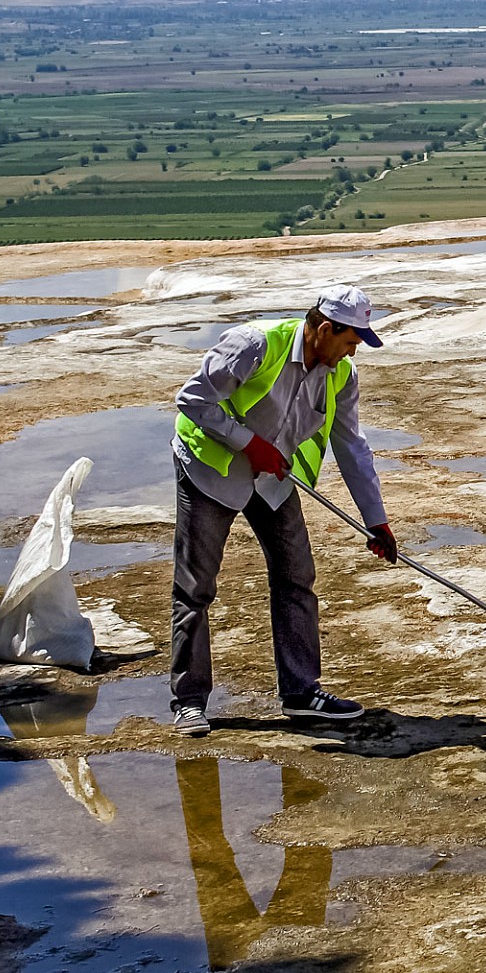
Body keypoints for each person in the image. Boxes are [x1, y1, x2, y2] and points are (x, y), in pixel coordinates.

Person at [168, 284, 396, 736]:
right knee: (196, 587)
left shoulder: (340, 374)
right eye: (350, 341)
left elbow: (351, 446)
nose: (352, 353)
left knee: (296, 576)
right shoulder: (254, 345)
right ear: (325, 329)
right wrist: (247, 443)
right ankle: (189, 702)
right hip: (211, 471)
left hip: (273, 478)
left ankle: (301, 692)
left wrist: (376, 520)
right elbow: (193, 399)